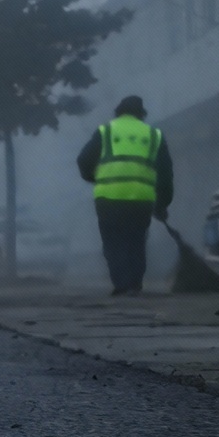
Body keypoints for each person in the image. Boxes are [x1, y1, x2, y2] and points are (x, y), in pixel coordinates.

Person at [77, 95, 173, 294]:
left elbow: (83, 160)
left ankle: (121, 285)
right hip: (141, 200)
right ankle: (134, 284)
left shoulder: (106, 131)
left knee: (113, 243)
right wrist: (162, 203)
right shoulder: (154, 135)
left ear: (118, 111)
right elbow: (165, 173)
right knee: (136, 242)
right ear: (142, 114)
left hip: (109, 199)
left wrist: (95, 178)